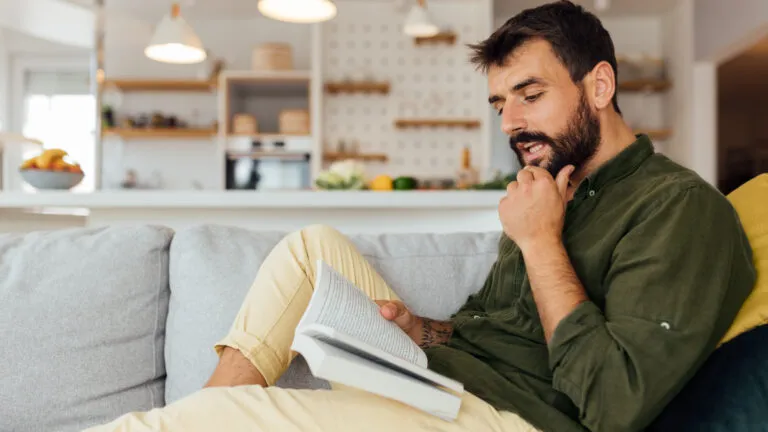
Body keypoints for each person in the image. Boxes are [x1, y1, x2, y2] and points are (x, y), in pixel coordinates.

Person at [86, 1, 756, 431]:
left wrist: (540, 243)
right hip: (445, 378)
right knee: (309, 247)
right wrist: (423, 331)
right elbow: (491, 325)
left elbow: (613, 406)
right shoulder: (550, 186)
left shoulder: (680, 211)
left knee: (187, 425)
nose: (512, 123)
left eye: (529, 95)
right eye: (500, 105)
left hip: (505, 419)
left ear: (600, 86)